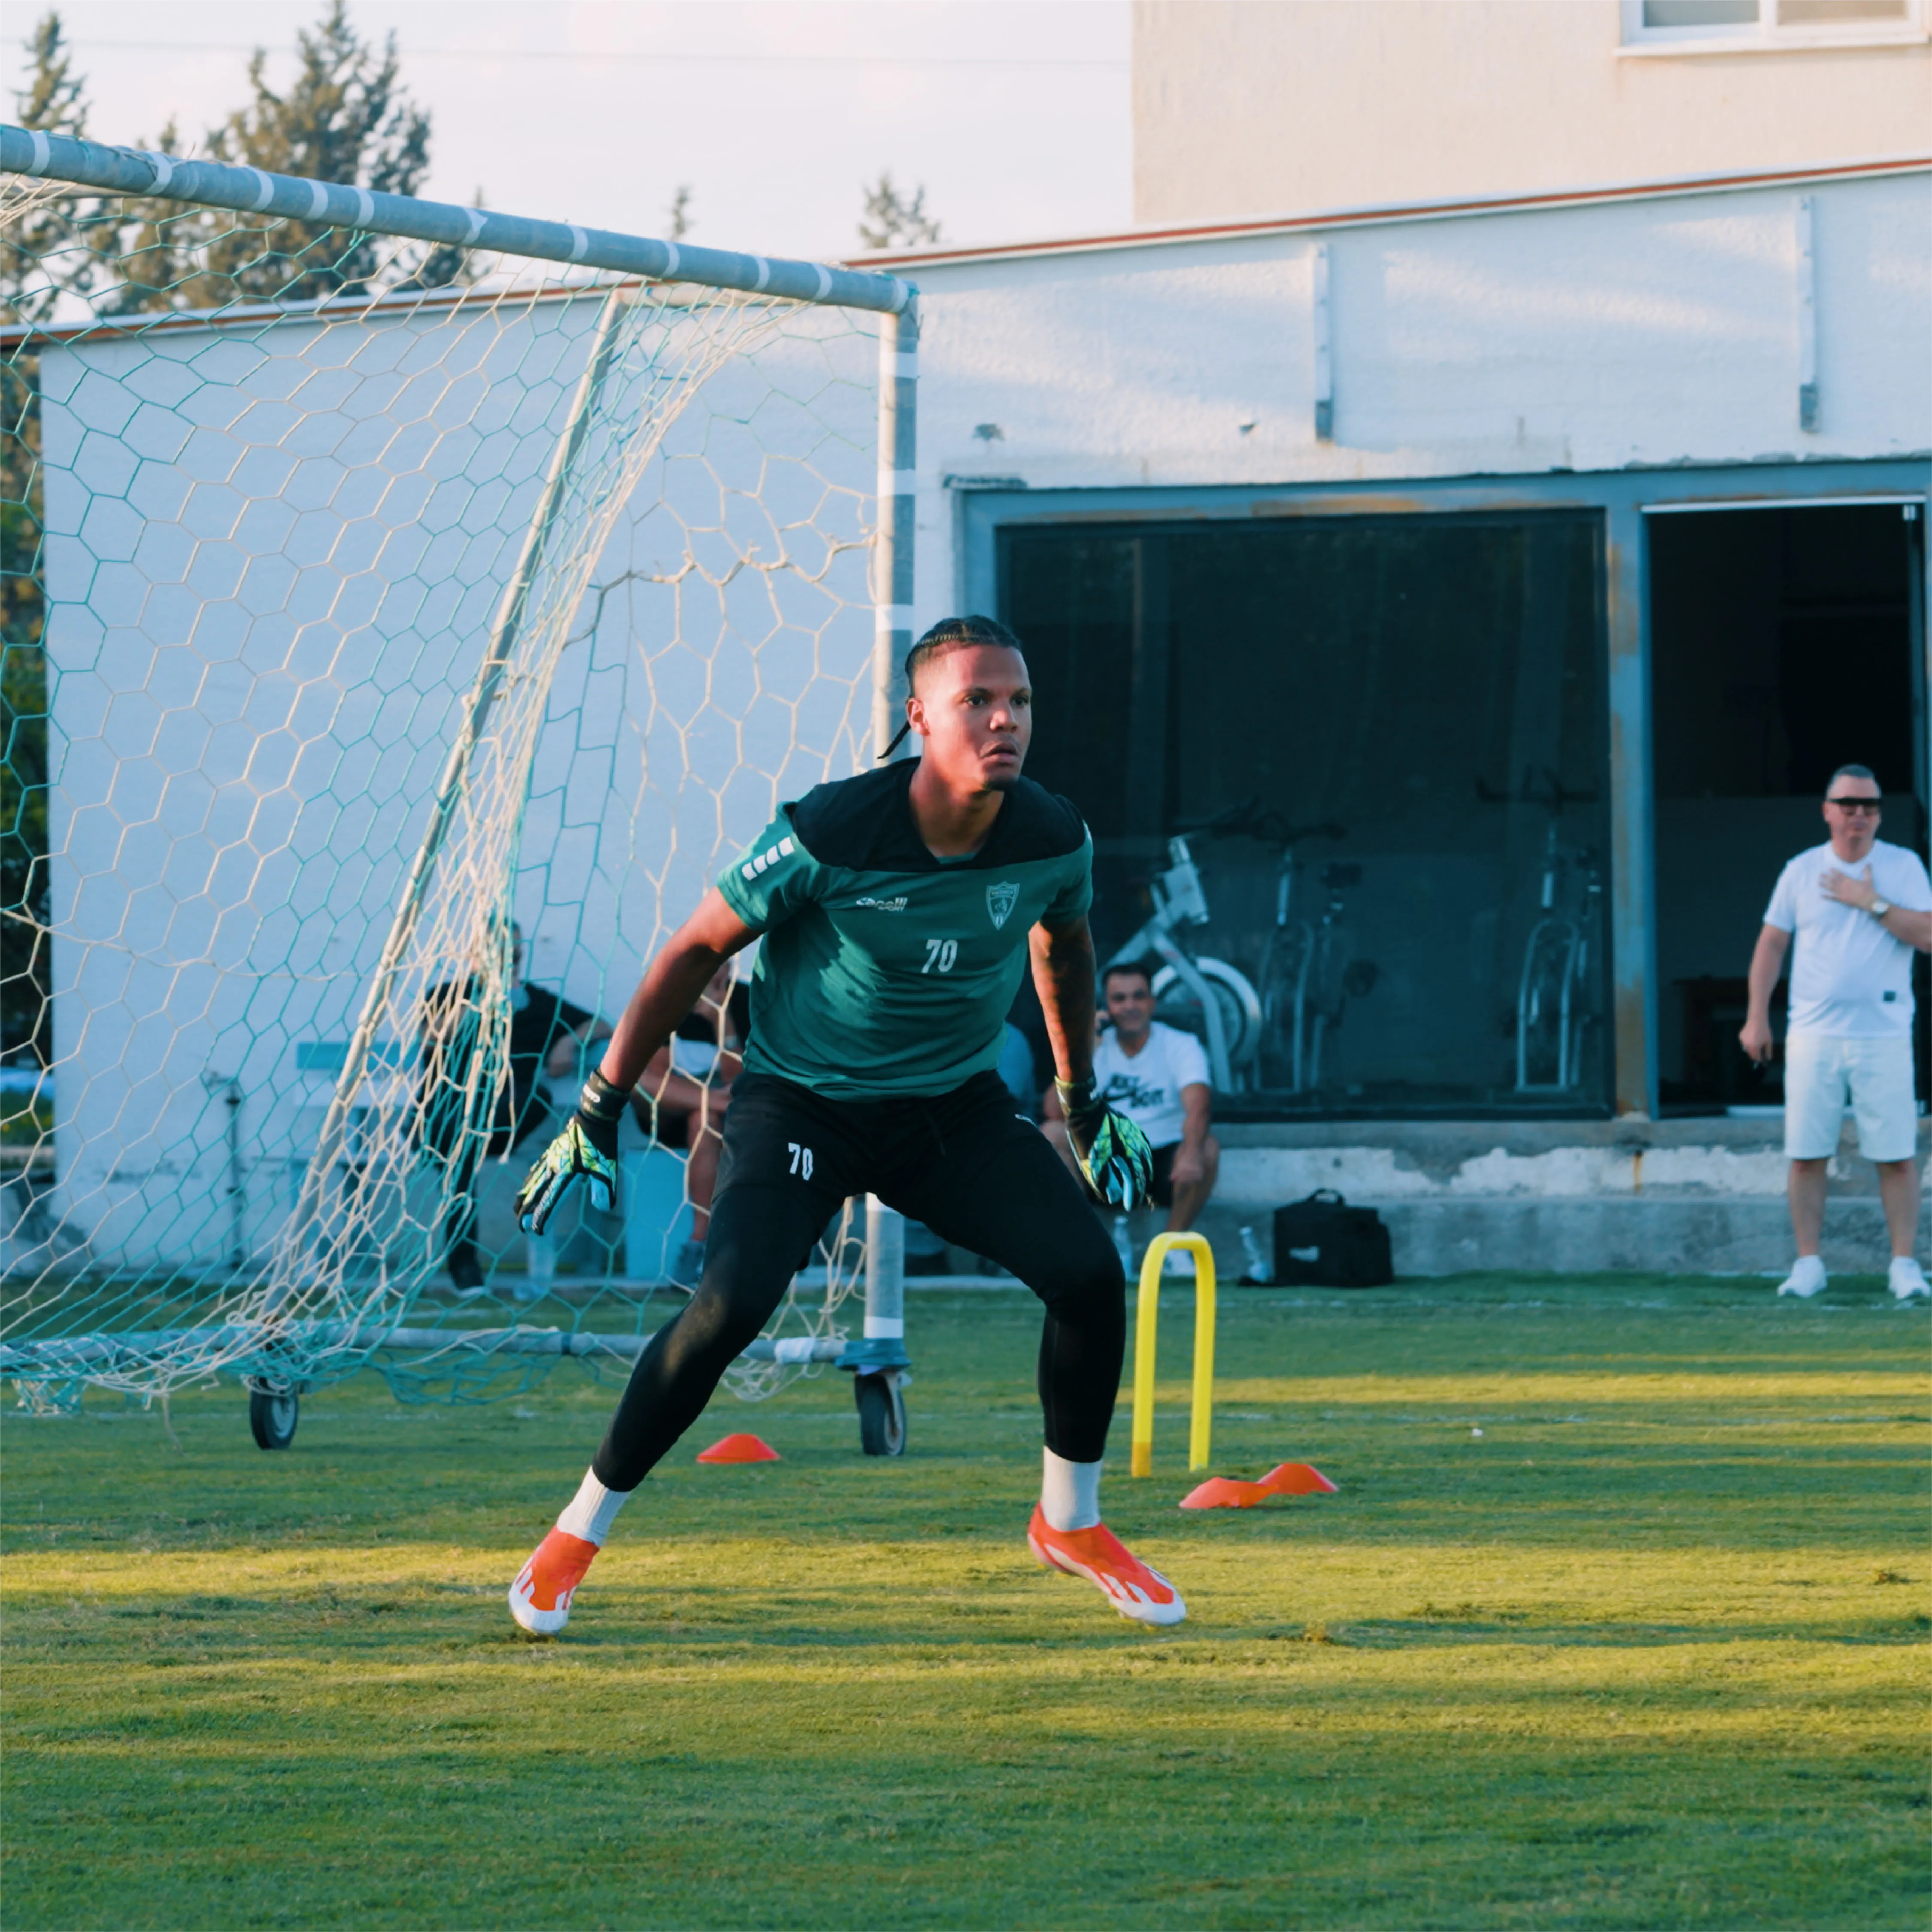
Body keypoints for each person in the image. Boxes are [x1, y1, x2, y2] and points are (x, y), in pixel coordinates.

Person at [506, 616, 1172, 1637]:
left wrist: (1081, 1104)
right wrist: (597, 1109)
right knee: (728, 1307)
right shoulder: (831, 829)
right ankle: (576, 1533)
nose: (1005, 721)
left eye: (1020, 702)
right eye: (977, 701)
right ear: (919, 719)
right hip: (801, 1103)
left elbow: (1066, 948)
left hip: (949, 1110)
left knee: (1087, 1275)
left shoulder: (1050, 835)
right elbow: (690, 951)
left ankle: (1069, 1522)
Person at [1740, 765, 1932, 1302]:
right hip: (1812, 1035)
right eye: (1847, 804)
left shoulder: (1903, 866)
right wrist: (1757, 1015)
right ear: (1827, 810)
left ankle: (1903, 1265)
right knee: (1806, 1153)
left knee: (1895, 1155)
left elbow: (1928, 934)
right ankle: (1808, 1265)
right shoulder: (1800, 871)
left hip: (1884, 1034)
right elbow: (1771, 944)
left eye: (1869, 805)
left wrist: (1868, 901)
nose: (1858, 814)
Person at [419, 923, 610, 1294]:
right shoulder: (447, 994)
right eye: (497, 954)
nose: (509, 962)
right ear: (475, 957)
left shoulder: (536, 1004)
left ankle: (465, 1267)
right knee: (462, 1149)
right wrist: (484, 1002)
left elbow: (602, 1025)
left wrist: (568, 1042)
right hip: (444, 1116)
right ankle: (464, 1266)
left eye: (514, 954)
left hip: (499, 1120)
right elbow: (431, 1036)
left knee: (535, 1098)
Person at [1043, 961, 1219, 1277]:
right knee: (1051, 1134)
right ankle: (1081, 1249)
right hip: (1102, 1162)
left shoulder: (1180, 1045)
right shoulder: (1094, 1048)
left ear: (1152, 1002)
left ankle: (1174, 1249)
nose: (1129, 1006)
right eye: (1119, 999)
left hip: (1161, 1160)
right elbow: (1054, 1112)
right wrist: (1083, 1051)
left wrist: (1191, 1153)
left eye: (1138, 997)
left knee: (1206, 1148)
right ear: (1106, 1006)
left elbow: (1199, 1107)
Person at [631, 960, 748, 1289]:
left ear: (729, 967)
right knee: (637, 1078)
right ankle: (715, 1102)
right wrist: (710, 1096)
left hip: (722, 1112)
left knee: (704, 1120)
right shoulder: (667, 995)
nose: (712, 974)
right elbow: (654, 1073)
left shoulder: (748, 999)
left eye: (720, 965)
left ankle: (699, 1241)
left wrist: (719, 1020)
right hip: (668, 1109)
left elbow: (737, 1079)